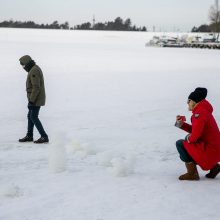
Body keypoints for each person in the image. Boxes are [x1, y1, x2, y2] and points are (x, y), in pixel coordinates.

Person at [175, 88, 220, 180]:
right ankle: (215, 167)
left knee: (180, 143)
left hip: (209, 151)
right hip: (215, 151)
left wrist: (188, 138)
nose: (187, 103)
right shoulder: (203, 111)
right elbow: (197, 130)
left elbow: (195, 136)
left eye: (189, 101)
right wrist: (181, 124)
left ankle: (192, 173)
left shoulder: (199, 113)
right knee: (188, 143)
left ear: (195, 101)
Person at [19, 55, 49, 144]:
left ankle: (44, 136)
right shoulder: (34, 68)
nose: (23, 67)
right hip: (35, 98)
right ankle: (29, 136)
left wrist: (31, 101)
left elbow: (36, 87)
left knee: (33, 117)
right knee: (30, 116)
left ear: (27, 63)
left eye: (23, 65)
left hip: (36, 99)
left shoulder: (34, 71)